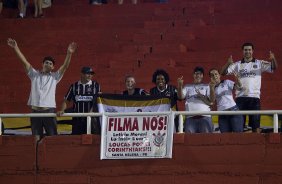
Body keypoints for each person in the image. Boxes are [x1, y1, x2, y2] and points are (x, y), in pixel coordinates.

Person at [7, 38, 77, 139]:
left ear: (53, 67)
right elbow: (24, 61)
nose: (48, 64)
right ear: (42, 64)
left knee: (52, 138)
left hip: (49, 111)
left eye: (50, 63)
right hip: (35, 112)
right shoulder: (34, 75)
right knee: (36, 138)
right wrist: (15, 48)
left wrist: (69, 53)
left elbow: (65, 66)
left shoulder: (55, 77)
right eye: (46, 62)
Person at [221, 42, 278, 132]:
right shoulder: (237, 64)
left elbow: (273, 67)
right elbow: (223, 72)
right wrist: (228, 63)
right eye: (245, 50)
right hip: (240, 98)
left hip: (254, 98)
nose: (247, 51)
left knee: (256, 127)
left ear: (252, 51)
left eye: (249, 50)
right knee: (239, 127)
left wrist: (273, 59)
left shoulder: (259, 63)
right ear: (242, 51)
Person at [57, 67, 101, 135]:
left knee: (91, 139)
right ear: (82, 74)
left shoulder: (96, 86)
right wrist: (62, 110)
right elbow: (66, 100)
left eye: (91, 74)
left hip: (91, 119)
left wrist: (92, 112)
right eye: (87, 73)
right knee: (76, 139)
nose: (90, 75)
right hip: (77, 119)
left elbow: (98, 101)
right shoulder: (74, 86)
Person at [177, 66, 213, 133]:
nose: (198, 75)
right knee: (189, 140)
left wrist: (210, 89)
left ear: (202, 76)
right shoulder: (187, 86)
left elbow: (211, 100)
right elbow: (180, 97)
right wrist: (180, 86)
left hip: (205, 117)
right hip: (190, 118)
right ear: (193, 75)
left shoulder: (207, 86)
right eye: (196, 73)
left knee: (207, 139)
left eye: (200, 74)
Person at [209, 68, 244, 133]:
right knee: (225, 137)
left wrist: (238, 80)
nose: (214, 76)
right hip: (222, 114)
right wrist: (212, 88)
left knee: (238, 135)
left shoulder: (226, 82)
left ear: (219, 75)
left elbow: (239, 88)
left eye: (216, 74)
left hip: (233, 110)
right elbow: (212, 100)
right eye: (212, 75)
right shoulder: (210, 88)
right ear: (210, 77)